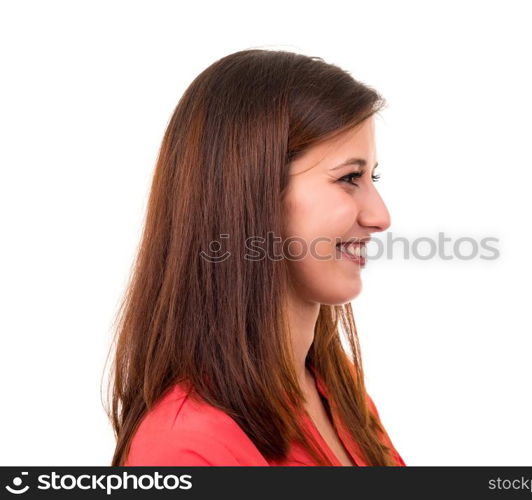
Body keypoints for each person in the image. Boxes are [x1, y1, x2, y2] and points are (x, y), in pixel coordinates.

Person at [106, 49, 404, 466]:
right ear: (251, 194)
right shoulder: (185, 448)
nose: (380, 217)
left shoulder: (339, 392)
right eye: (349, 178)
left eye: (371, 176)